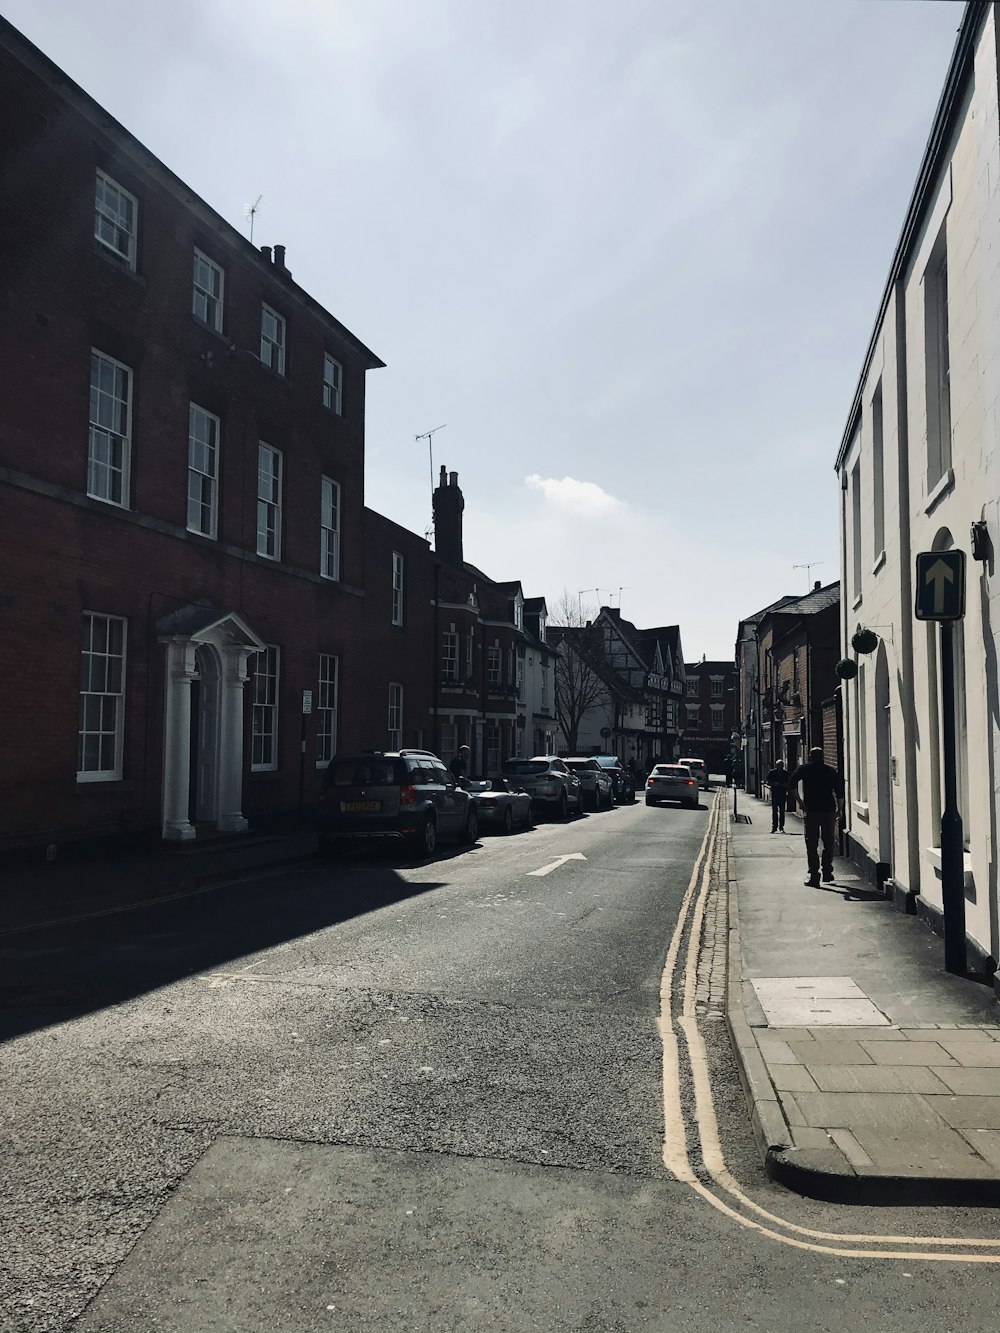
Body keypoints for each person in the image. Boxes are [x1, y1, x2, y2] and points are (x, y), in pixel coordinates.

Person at [788, 747, 845, 887]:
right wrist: (840, 809)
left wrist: (800, 802)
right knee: (828, 841)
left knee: (811, 844)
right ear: (823, 757)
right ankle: (827, 872)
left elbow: (791, 783)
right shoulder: (830, 771)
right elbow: (840, 792)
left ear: (810, 756)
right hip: (828, 810)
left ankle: (814, 876)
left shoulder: (804, 769)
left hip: (812, 810)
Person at [765, 759, 789, 833]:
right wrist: (774, 784)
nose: (780, 767)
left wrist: (785, 785)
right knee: (774, 811)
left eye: (781, 765)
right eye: (778, 765)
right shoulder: (772, 773)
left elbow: (789, 783)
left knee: (782, 811)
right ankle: (774, 827)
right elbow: (768, 782)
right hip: (775, 794)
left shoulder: (786, 773)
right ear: (776, 766)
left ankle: (781, 827)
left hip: (782, 794)